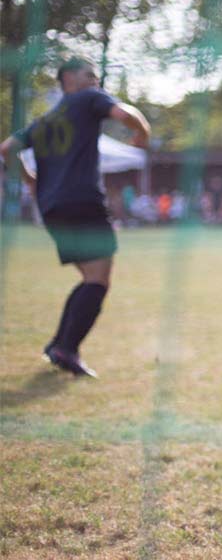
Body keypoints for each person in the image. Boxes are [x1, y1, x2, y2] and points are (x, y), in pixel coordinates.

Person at [0, 57, 151, 377]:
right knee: (98, 279)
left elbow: (6, 148)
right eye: (89, 74)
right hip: (82, 200)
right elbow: (124, 114)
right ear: (70, 78)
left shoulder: (43, 122)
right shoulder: (87, 98)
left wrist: (30, 180)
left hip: (51, 207)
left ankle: (58, 344)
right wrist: (142, 133)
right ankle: (66, 349)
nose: (96, 80)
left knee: (89, 278)